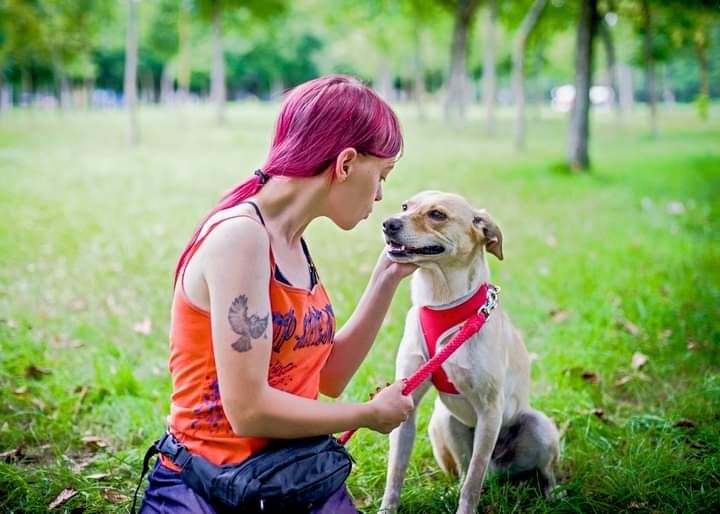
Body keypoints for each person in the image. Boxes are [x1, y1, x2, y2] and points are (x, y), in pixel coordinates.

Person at [139, 75, 416, 513]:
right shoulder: (242, 239)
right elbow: (248, 411)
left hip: (288, 474)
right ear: (345, 164)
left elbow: (327, 377)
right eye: (382, 175)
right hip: (209, 485)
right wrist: (365, 415)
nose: (380, 194)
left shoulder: (292, 240)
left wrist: (387, 278)